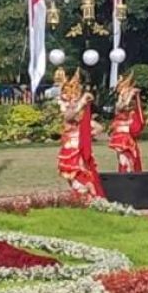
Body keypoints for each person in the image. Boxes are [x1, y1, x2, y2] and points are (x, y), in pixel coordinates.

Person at [56, 69, 104, 197]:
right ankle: (82, 196)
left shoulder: (78, 105)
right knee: (71, 174)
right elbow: (67, 117)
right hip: (69, 144)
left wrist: (85, 135)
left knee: (78, 174)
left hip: (77, 146)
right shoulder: (66, 105)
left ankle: (87, 192)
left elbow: (98, 127)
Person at [108, 73, 146, 173]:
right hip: (120, 137)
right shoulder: (119, 104)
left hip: (128, 136)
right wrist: (128, 95)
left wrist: (134, 96)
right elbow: (120, 107)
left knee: (132, 158)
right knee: (124, 160)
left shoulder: (131, 112)